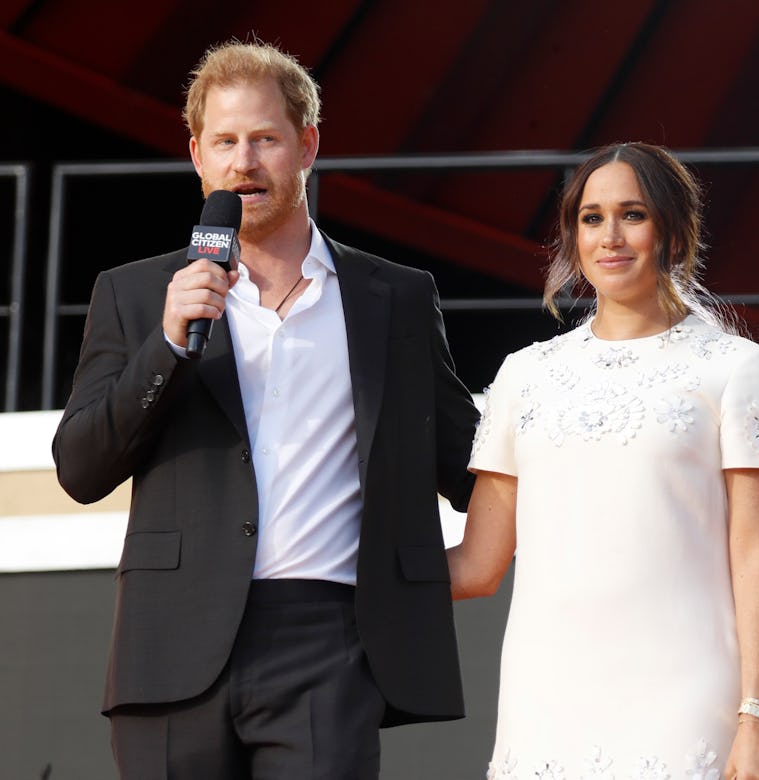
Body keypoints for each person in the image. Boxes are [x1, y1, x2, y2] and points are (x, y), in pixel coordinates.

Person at [52, 39, 479, 779]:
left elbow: (468, 463)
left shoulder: (396, 297)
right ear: (197, 154)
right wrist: (166, 345)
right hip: (171, 643)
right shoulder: (133, 293)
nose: (243, 162)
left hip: (329, 641)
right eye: (224, 141)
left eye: (265, 139)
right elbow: (81, 468)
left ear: (307, 144)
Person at [448, 142, 759, 780]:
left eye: (632, 214)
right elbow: (477, 565)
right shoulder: (525, 375)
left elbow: (755, 556)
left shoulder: (740, 370)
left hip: (688, 701)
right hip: (544, 702)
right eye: (591, 217)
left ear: (672, 230)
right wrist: (340, 569)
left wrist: (758, 718)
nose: (610, 235)